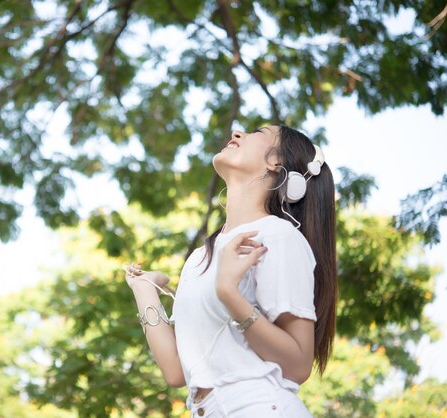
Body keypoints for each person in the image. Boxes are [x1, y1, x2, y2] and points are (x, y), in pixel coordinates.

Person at [124, 125, 337, 417]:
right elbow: (177, 372)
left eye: (257, 132)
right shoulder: (200, 258)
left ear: (276, 163)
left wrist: (230, 295)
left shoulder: (277, 236)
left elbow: (298, 366)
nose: (237, 132)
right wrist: (145, 290)